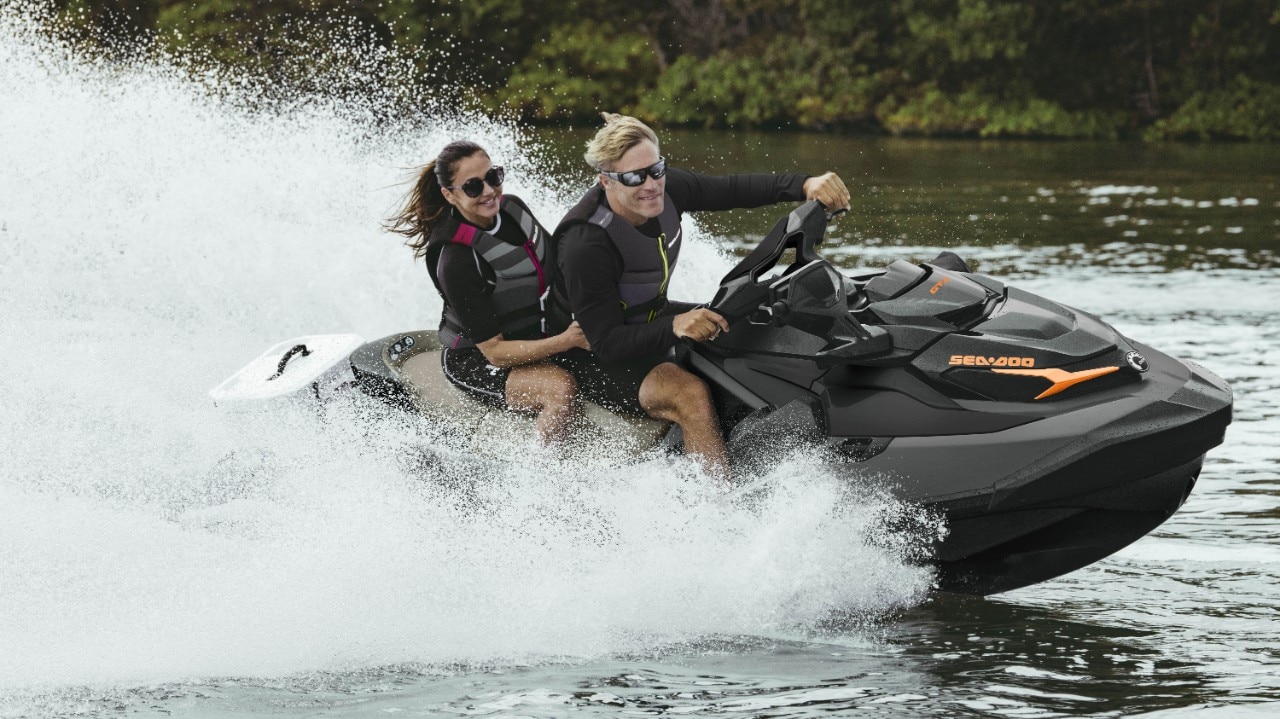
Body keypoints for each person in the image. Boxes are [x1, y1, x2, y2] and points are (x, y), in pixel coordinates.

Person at [551, 113, 851, 481]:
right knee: (688, 393)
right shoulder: (586, 244)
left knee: (753, 320)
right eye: (633, 177)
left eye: (656, 169)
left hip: (649, 320)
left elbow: (731, 189)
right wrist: (676, 325)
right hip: (589, 355)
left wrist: (804, 184)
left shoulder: (664, 185)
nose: (651, 185)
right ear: (605, 180)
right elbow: (606, 343)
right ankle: (714, 510)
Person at [387, 141, 590, 445]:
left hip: (539, 334)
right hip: (477, 360)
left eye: (493, 177)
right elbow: (495, 351)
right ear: (449, 194)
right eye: (472, 187)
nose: (488, 191)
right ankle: (544, 482)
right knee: (559, 389)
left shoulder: (515, 209)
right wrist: (565, 341)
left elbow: (562, 267)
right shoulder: (456, 259)